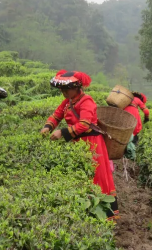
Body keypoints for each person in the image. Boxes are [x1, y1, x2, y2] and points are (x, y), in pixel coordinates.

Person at [41, 70, 119, 220]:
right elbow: (57, 115)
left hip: (92, 143)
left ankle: (102, 214)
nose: (63, 92)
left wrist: (62, 132)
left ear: (76, 87)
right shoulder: (69, 101)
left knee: (96, 176)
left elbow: (84, 125)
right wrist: (48, 127)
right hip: (78, 142)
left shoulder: (86, 101)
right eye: (62, 89)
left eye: (66, 89)